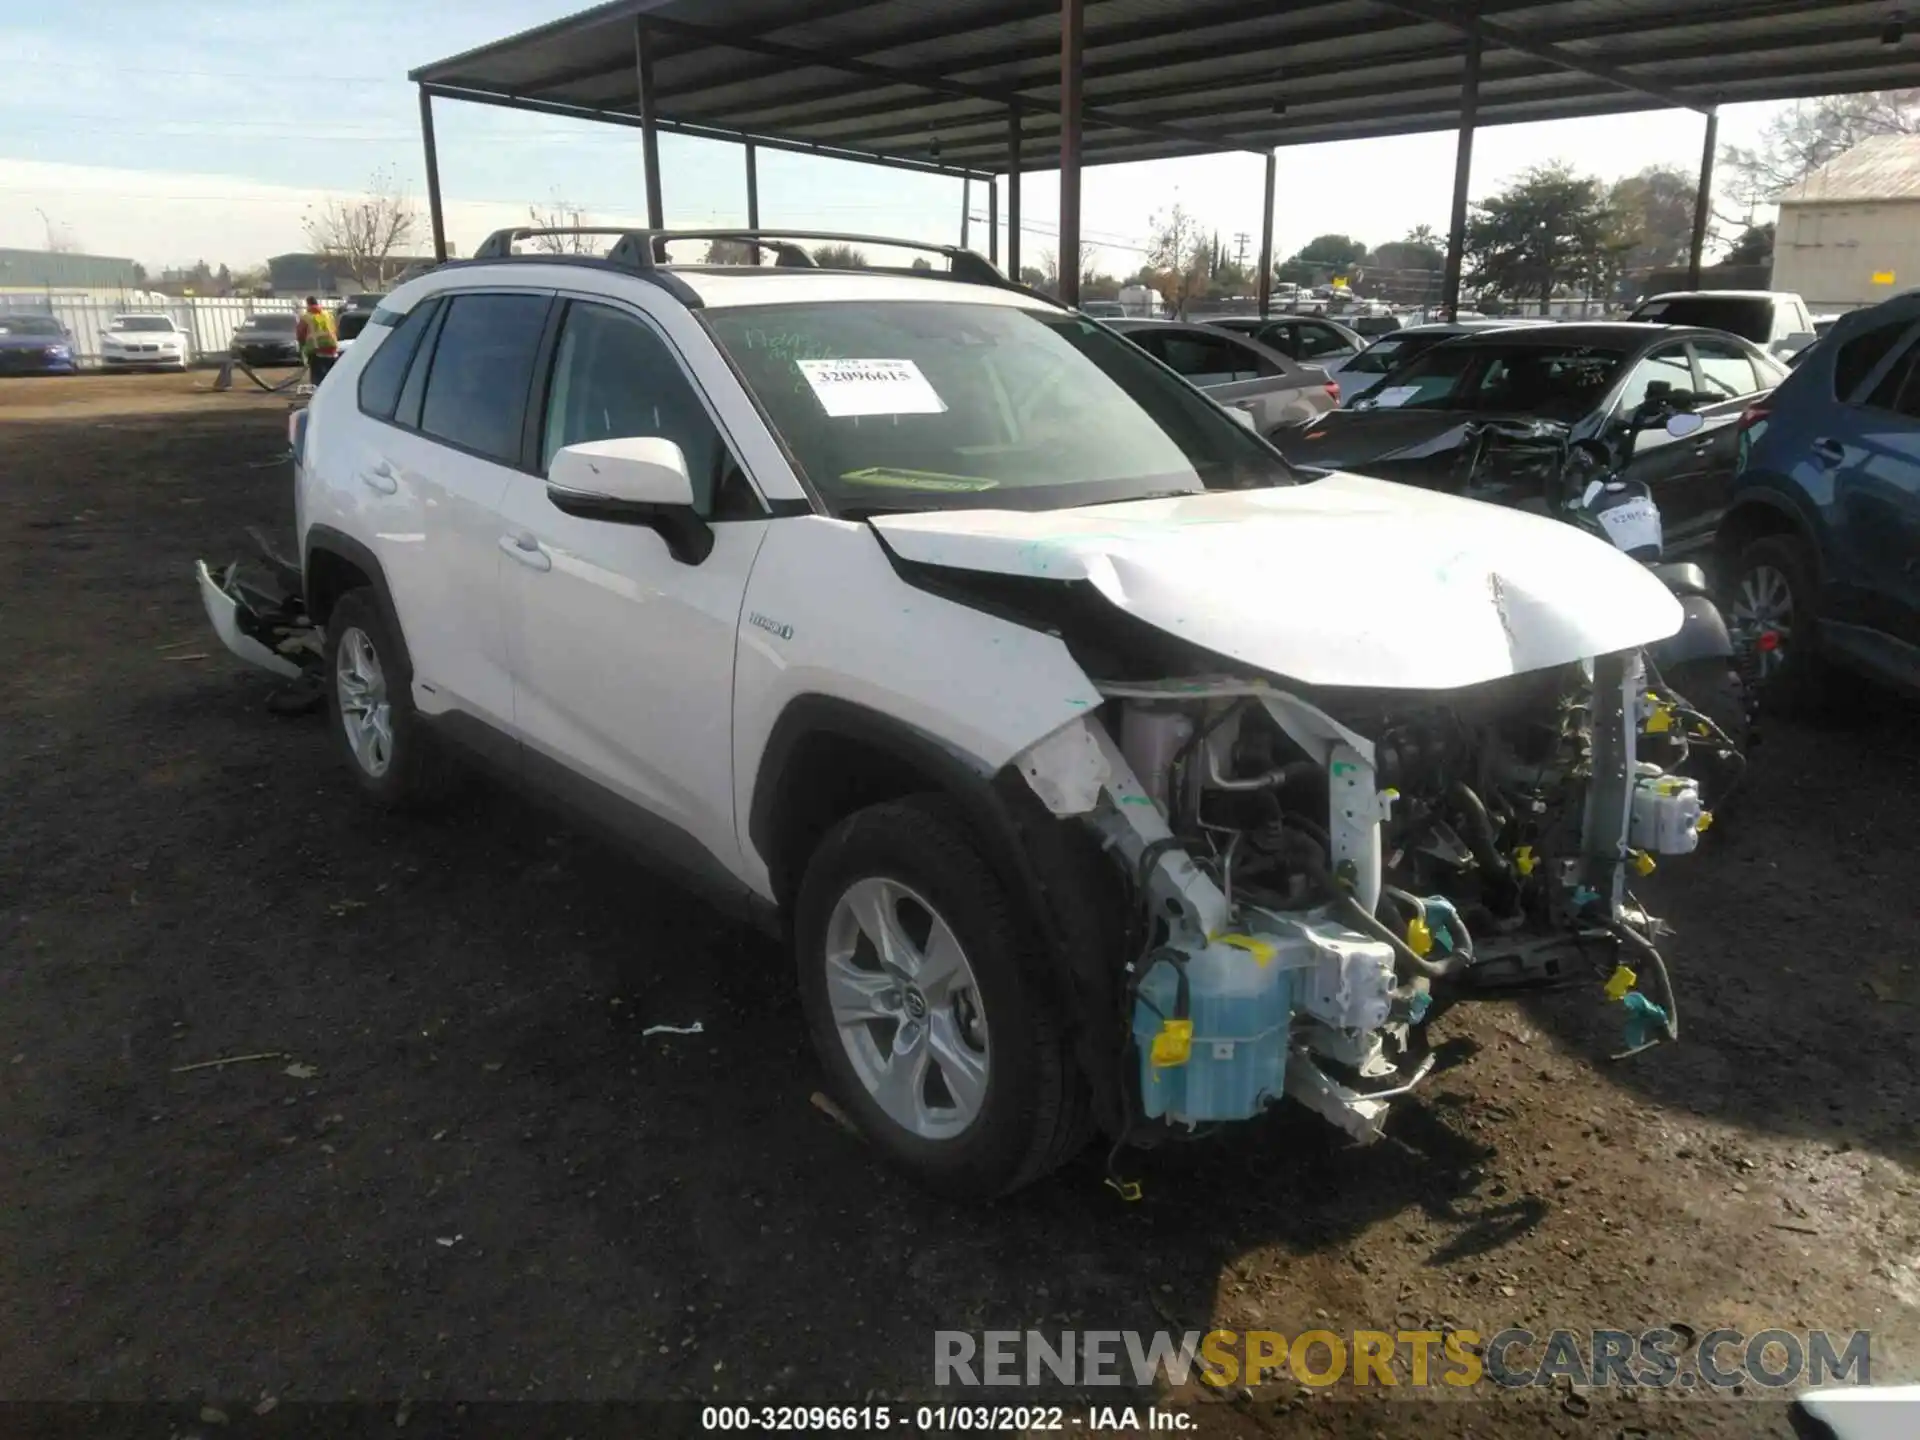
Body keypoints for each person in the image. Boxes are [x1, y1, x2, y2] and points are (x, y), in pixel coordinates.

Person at [296, 296, 339, 386]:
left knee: (317, 376)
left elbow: (300, 334)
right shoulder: (328, 314)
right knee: (331, 374)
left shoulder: (306, 317)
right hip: (332, 347)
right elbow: (334, 328)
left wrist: (302, 348)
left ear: (308, 304)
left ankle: (319, 393)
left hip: (316, 349)